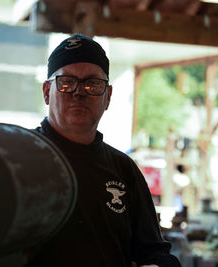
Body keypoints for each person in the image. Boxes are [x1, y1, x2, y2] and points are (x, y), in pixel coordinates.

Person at [26, 34, 181, 267]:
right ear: (47, 92)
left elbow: (153, 251)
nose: (79, 92)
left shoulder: (123, 170)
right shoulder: (19, 156)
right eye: (66, 82)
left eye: (93, 84)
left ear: (107, 97)